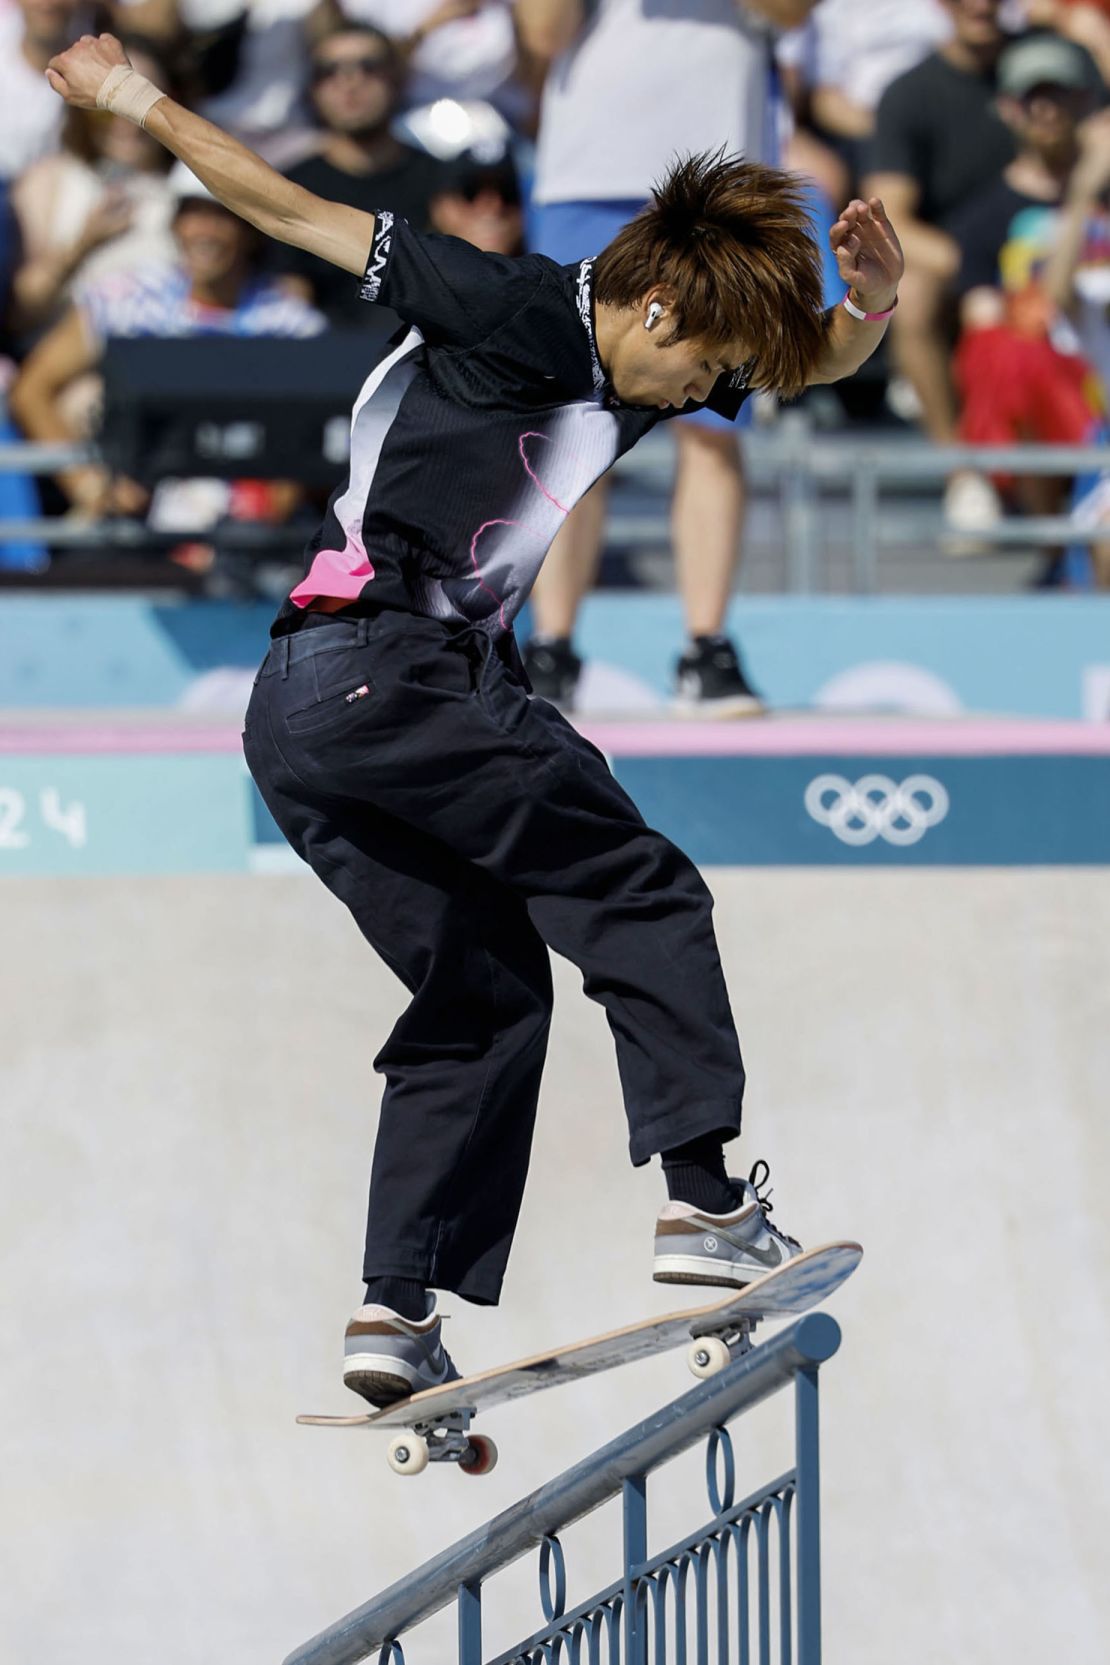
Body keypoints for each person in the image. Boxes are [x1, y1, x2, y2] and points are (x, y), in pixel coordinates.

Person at [44, 32, 903, 1403]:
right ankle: (701, 1202)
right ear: (662, 311)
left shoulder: (639, 365)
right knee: (640, 889)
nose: (704, 403)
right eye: (704, 374)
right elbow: (279, 206)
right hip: (400, 668)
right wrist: (131, 98)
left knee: (481, 987)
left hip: (305, 713)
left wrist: (872, 310)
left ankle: (393, 1310)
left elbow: (815, 372)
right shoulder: (503, 301)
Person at [517, 0, 822, 715]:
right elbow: (542, 33)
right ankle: (550, 648)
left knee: (714, 421)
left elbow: (793, 12)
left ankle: (706, 648)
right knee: (574, 421)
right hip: (586, 176)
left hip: (726, 182)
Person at [10, 162, 324, 521]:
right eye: (193, 213)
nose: (206, 231)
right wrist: (89, 485)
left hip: (250, 537)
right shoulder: (121, 298)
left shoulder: (291, 324)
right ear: (175, 224)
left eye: (222, 216)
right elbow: (32, 389)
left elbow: (316, 437)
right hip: (136, 528)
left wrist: (271, 507)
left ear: (251, 228)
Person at [948, 33, 1110, 574]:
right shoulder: (984, 217)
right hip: (1044, 378)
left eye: (1059, 95)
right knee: (1011, 355)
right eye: (1033, 97)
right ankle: (1047, 539)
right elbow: (982, 318)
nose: (1047, 110)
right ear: (1009, 109)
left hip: (1094, 370)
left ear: (1084, 101)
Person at [865, 0, 1017, 511]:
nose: (981, 4)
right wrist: (978, 268)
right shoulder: (911, 93)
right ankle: (962, 474)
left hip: (1054, 261)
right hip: (960, 272)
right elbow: (890, 220)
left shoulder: (1050, 68)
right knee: (910, 296)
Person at [270, 24, 445, 330]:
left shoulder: (441, 182)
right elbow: (290, 303)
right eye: (329, 70)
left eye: (369, 67)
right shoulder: (290, 188)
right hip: (321, 362)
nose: (349, 82)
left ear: (397, 79)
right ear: (312, 88)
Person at [10, 37, 177, 336]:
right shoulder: (48, 181)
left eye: (142, 103)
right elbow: (21, 314)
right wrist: (84, 243)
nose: (125, 122)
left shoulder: (189, 189)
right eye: (109, 105)